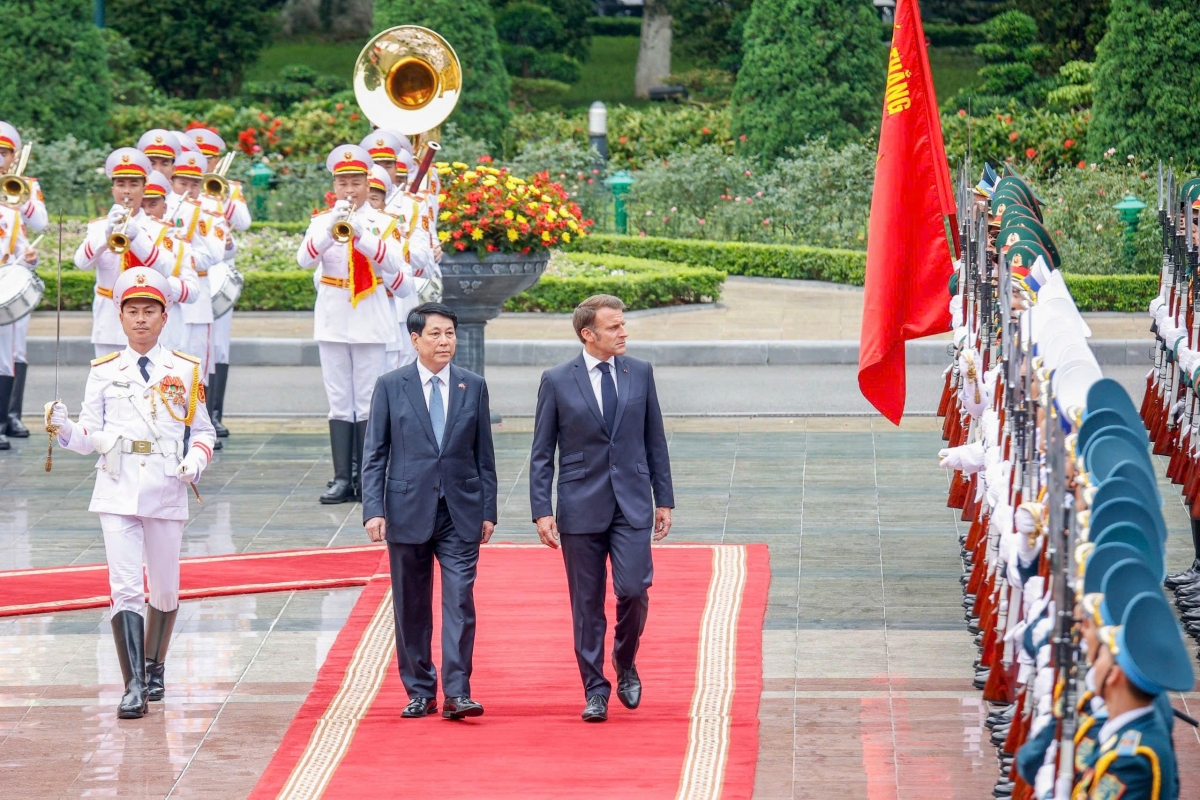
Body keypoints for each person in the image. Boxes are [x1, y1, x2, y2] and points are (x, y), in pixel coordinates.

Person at [45, 267, 215, 719]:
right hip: (117, 485)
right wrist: (64, 429)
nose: (141, 319)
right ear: (119, 316)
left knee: (164, 588)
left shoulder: (184, 368)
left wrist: (194, 461)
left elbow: (202, 432)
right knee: (124, 587)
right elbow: (88, 437)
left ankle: (155, 666)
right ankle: (134, 685)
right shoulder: (103, 371)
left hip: (166, 483)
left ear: (164, 316)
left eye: (149, 311)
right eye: (132, 311)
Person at [529, 294, 674, 722]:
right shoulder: (556, 380)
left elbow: (655, 440)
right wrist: (542, 508)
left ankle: (625, 659)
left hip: (631, 503)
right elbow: (542, 453)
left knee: (633, 590)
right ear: (588, 334)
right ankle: (595, 689)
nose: (623, 332)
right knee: (587, 604)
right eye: (614, 327)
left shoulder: (641, 373)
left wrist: (663, 497)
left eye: (623, 324)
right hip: (579, 505)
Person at [361, 302, 497, 720]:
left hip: (459, 511)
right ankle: (420, 690)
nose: (445, 341)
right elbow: (375, 453)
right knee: (412, 605)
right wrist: (373, 509)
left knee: (459, 600)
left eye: (450, 333)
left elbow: (484, 455)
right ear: (415, 340)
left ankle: (458, 691)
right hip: (406, 509)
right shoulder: (390, 385)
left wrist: (488, 510)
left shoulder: (472, 385)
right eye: (435, 334)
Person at [296, 143, 413, 504]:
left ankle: (368, 479)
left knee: (367, 401)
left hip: (370, 317)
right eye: (343, 182)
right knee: (338, 400)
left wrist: (361, 234)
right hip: (333, 317)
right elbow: (303, 260)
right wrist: (331, 230)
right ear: (335, 185)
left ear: (367, 183)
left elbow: (395, 265)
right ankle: (341, 478)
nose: (349, 190)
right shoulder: (322, 222)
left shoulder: (383, 223)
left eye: (356, 182)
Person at [74, 148, 196, 359]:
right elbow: (81, 263)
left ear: (143, 188)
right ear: (112, 189)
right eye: (121, 184)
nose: (127, 191)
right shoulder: (98, 227)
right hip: (110, 325)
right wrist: (106, 235)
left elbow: (165, 269)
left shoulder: (159, 229)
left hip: (149, 327)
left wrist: (137, 237)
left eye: (133, 184)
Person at [185, 128, 250, 447]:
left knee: (216, 348)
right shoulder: (179, 189)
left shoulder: (226, 188)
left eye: (208, 157)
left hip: (217, 272)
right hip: (191, 273)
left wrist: (220, 195)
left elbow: (244, 222)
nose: (202, 162)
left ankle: (214, 414)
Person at [0, 121, 46, 441]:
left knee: (13, 351)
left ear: (14, 156)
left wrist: (17, 190)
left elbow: (39, 223)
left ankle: (8, 416)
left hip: (9, 277)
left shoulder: (25, 184)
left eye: (4, 153)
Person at [0, 198, 35, 451]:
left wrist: (29, 259)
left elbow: (25, 255)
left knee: (4, 359)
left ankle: (1, 424)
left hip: (2, 291)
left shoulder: (9, 216)